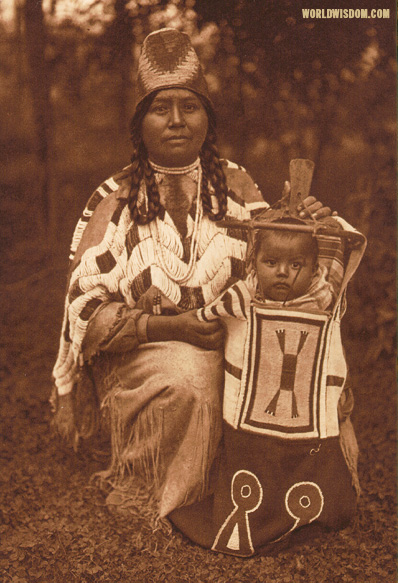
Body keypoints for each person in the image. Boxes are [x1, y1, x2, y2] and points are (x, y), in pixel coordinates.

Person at [52, 28, 334, 522]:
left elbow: (276, 275)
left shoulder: (239, 187)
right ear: (141, 124)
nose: (178, 121)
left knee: (295, 370)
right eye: (162, 109)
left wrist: (307, 231)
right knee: (192, 376)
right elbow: (85, 313)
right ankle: (154, 490)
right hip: (139, 361)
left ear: (208, 116)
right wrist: (169, 328)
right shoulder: (114, 201)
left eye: (191, 107)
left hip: (226, 342)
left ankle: (255, 495)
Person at [169, 213, 366, 556]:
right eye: (271, 262)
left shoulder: (324, 304)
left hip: (307, 427)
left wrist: (341, 389)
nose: (282, 272)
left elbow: (350, 243)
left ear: (313, 268)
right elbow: (205, 315)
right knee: (252, 470)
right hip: (249, 426)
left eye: (296, 265)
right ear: (254, 261)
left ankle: (309, 511)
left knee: (312, 473)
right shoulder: (243, 298)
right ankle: (254, 517)